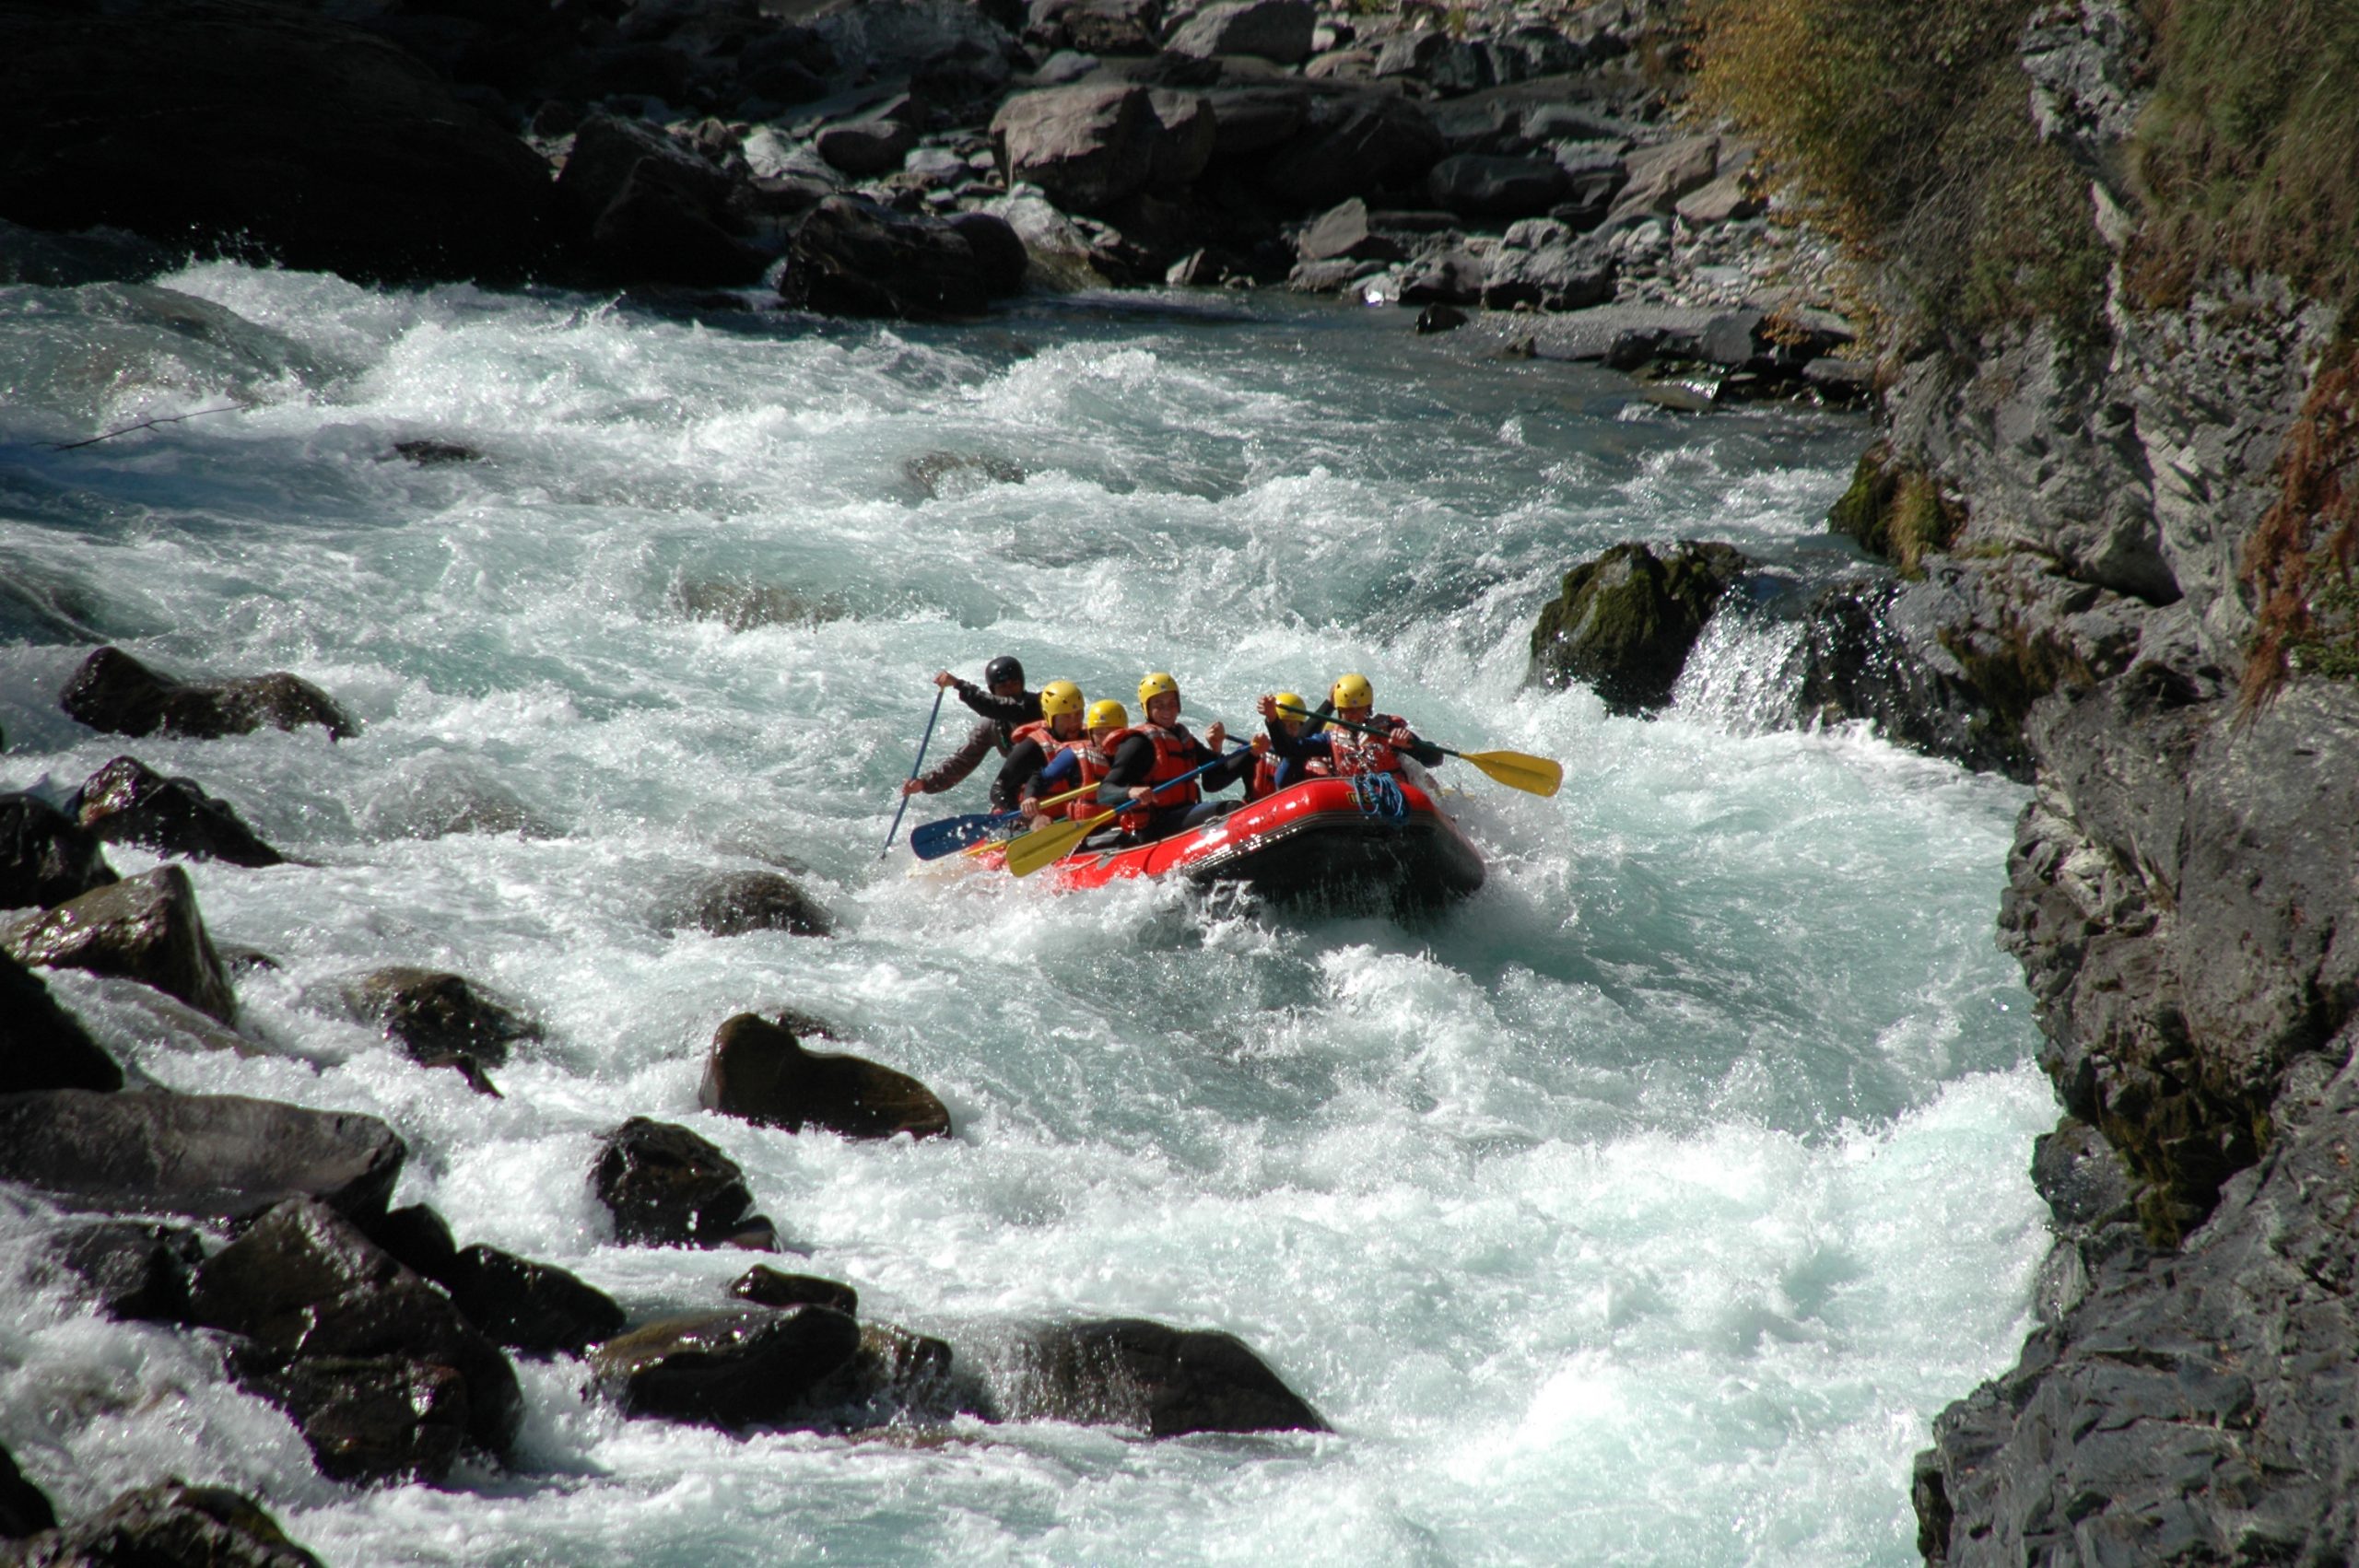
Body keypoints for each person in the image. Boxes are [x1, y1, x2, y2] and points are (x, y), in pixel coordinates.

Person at [1094, 671, 1254, 841]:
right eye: (1158, 704)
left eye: (1172, 703)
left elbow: (1214, 781)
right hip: (1156, 827)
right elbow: (1103, 793)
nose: (1167, 710)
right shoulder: (1138, 743)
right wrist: (1130, 792)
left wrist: (1250, 752)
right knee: (1229, 809)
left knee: (1234, 808)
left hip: (1185, 816)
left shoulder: (1182, 737)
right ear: (1146, 708)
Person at [900, 655, 1041, 808]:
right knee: (999, 795)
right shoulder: (989, 725)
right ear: (993, 690)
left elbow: (999, 706)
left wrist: (958, 685)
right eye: (1003, 687)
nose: (1010, 691)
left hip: (1052, 773)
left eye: (1014, 684)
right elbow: (963, 761)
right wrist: (925, 782)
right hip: (1026, 784)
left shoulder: (1036, 706)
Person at [1259, 673, 1444, 778]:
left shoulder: (1389, 731)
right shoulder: (1330, 739)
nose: (1353, 716)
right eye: (1347, 710)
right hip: (1353, 802)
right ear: (1339, 710)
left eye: (1358, 710)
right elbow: (1289, 749)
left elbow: (1434, 759)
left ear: (1368, 708)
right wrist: (1272, 719)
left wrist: (1411, 743)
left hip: (1394, 796)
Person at [1021, 696, 1126, 825]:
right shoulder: (1074, 754)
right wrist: (1029, 798)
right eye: (1099, 733)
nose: (1105, 739)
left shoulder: (1137, 749)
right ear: (1091, 734)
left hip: (1123, 822)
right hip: (1087, 827)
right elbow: (1040, 778)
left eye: (1111, 733)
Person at [991, 679, 1086, 817]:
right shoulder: (1031, 746)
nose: (1075, 722)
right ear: (1050, 718)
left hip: (1075, 817)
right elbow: (997, 789)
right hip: (1035, 822)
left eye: (1078, 714)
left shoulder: (1091, 737)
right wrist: (1029, 819)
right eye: (1066, 716)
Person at [1245, 690, 1322, 801]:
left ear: (1301, 726)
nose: (1287, 731)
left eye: (1293, 725)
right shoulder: (1259, 749)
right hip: (1261, 810)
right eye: (1283, 725)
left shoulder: (1312, 751)